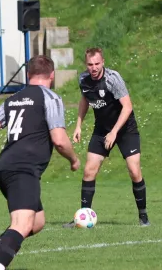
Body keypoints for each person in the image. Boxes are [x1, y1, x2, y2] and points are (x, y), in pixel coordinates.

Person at [0, 55, 80, 270]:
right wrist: (74, 158)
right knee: (22, 222)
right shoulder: (50, 98)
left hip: (6, 165)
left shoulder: (14, 99)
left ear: (28, 75)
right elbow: (59, 140)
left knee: (36, 222)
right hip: (24, 167)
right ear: (52, 75)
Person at [62, 47, 150, 228]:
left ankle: (143, 216)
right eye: (90, 64)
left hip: (125, 129)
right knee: (89, 171)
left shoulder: (112, 79)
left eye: (96, 64)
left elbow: (127, 107)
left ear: (103, 62)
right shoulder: (83, 79)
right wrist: (78, 124)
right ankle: (83, 216)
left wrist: (115, 132)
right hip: (102, 130)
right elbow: (85, 100)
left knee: (134, 171)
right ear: (86, 64)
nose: (93, 68)